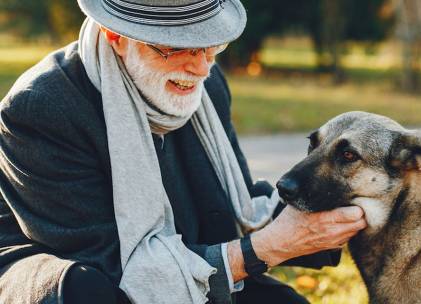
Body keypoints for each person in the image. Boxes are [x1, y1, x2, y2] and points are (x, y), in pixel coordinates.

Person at [0, 0, 367, 303]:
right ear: (115, 34)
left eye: (211, 44)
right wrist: (264, 249)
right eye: (176, 47)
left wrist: (336, 215)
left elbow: (228, 207)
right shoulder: (42, 107)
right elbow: (110, 266)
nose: (201, 65)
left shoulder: (207, 83)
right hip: (70, 273)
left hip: (183, 255)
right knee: (87, 293)